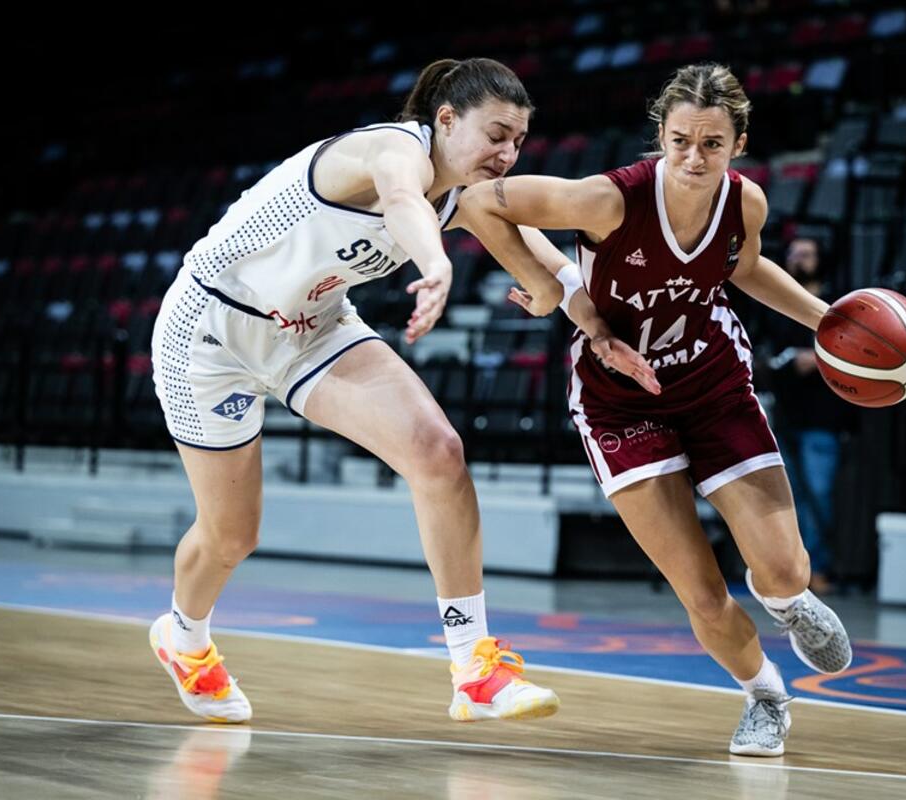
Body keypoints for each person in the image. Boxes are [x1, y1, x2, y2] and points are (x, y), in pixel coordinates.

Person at [148, 58, 606, 725]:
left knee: (438, 453)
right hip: (210, 331)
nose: (507, 154)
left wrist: (596, 322)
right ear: (446, 120)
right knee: (231, 535)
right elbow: (401, 202)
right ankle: (184, 638)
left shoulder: (464, 192)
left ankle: (474, 669)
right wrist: (436, 264)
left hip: (312, 330)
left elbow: (539, 254)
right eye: (495, 135)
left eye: (518, 141)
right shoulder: (392, 149)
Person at [458, 63, 853, 756]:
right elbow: (477, 201)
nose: (694, 158)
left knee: (786, 569)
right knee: (700, 590)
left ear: (739, 144)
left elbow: (743, 268)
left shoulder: (745, 204)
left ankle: (788, 599)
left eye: (712, 144)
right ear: (660, 137)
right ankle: (766, 697)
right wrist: (552, 293)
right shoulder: (608, 200)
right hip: (619, 404)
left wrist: (828, 322)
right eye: (680, 142)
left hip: (711, 383)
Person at [758, 237, 857, 595]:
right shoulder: (774, 304)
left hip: (823, 417)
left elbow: (855, 352)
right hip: (786, 414)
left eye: (806, 253)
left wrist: (817, 359)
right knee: (790, 497)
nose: (798, 259)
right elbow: (765, 354)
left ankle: (819, 567)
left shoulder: (835, 304)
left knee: (819, 493)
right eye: (793, 253)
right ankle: (794, 572)